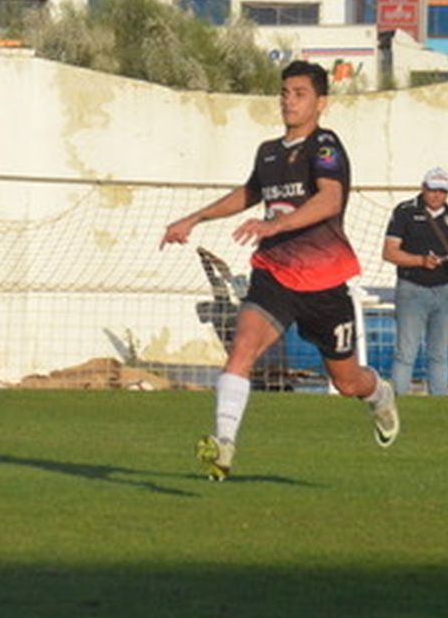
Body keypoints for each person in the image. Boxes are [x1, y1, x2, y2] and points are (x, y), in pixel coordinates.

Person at [160, 60, 399, 481]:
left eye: (300, 93)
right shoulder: (269, 152)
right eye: (285, 92)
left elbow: (329, 200)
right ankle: (224, 444)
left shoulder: (325, 146)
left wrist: (275, 224)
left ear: (321, 102)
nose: (289, 101)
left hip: (325, 283)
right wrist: (193, 219)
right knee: (241, 349)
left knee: (346, 382)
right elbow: (250, 193)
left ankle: (379, 393)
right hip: (273, 274)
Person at [383, 166, 448, 396]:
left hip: (444, 290)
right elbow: (390, 252)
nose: (437, 196)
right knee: (406, 353)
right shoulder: (404, 212)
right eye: (433, 190)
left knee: (440, 354)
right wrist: (421, 261)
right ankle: (398, 402)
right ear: (423, 188)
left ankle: (439, 404)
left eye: (442, 191)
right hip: (413, 288)